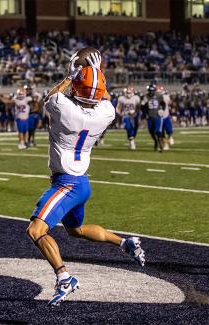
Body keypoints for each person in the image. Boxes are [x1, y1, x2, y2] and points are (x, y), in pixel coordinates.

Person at [26, 52, 145, 307]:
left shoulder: (64, 107)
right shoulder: (106, 113)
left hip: (66, 183)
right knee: (75, 230)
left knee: (35, 230)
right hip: (82, 184)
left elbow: (49, 97)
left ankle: (64, 276)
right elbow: (105, 97)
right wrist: (97, 74)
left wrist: (70, 75)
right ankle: (125, 242)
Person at [142, 83, 166, 152]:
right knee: (151, 131)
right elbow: (142, 107)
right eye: (150, 90)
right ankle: (156, 142)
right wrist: (145, 113)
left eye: (152, 91)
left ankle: (160, 143)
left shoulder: (159, 96)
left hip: (157, 116)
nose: (151, 92)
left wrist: (162, 110)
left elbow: (163, 104)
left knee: (158, 131)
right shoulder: (146, 97)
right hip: (150, 117)